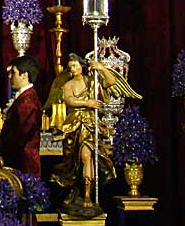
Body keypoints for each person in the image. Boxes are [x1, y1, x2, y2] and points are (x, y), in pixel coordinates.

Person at [51, 51, 141, 215]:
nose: (73, 69)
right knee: (73, 161)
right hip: (74, 125)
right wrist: (88, 102)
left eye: (75, 65)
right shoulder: (68, 84)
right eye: (70, 67)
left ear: (82, 66)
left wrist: (102, 68)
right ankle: (75, 191)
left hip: (90, 124)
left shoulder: (92, 81)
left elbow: (111, 82)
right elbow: (69, 100)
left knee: (87, 156)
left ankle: (87, 194)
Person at [0, 55, 42, 177]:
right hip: (18, 162)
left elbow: (20, 134)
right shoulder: (24, 98)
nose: (9, 76)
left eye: (13, 73)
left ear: (24, 75)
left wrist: (1, 154)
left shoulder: (28, 101)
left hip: (23, 165)